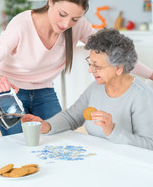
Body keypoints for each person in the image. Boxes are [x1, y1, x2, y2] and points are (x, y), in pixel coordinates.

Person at [0, 0, 152, 136]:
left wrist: (151, 74)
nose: (66, 24)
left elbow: (113, 51)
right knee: (20, 140)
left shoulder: (80, 26)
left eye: (74, 19)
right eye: (62, 14)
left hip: (43, 90)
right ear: (50, 0)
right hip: (8, 91)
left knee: (56, 135)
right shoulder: (22, 24)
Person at [22, 28, 153, 150]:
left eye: (97, 66)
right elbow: (71, 117)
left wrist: (113, 131)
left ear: (118, 68)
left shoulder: (142, 96)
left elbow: (149, 145)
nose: (90, 70)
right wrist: (47, 125)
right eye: (90, 63)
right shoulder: (96, 88)